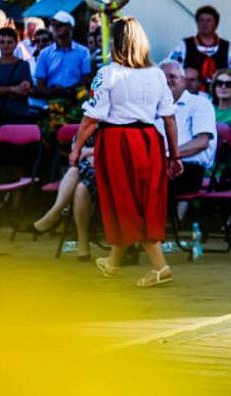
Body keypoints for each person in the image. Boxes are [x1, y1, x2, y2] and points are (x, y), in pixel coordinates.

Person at [73, 17, 181, 287]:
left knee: (124, 201)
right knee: (145, 199)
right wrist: (174, 154)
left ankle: (160, 266)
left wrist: (76, 149)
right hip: (149, 140)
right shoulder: (157, 73)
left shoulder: (109, 73)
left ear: (115, 43)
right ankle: (112, 262)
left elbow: (92, 118)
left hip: (117, 142)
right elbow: (169, 118)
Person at [160, 61, 216, 204]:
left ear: (184, 81)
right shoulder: (152, 107)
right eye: (162, 77)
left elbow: (202, 142)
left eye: (172, 76)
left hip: (188, 168)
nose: (167, 81)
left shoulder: (199, 103)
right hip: (160, 164)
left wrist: (168, 155)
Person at [32, 11, 91, 137]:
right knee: (49, 134)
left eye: (60, 25)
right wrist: (50, 93)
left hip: (76, 99)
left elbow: (87, 78)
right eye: (53, 25)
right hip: (52, 100)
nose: (55, 28)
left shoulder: (83, 52)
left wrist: (67, 90)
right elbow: (40, 82)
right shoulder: (45, 54)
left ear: (70, 27)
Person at [166, 5, 231, 86]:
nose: (204, 24)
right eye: (201, 20)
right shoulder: (185, 45)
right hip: (191, 94)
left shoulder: (226, 47)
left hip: (220, 94)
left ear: (216, 24)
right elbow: (170, 67)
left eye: (209, 20)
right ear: (197, 23)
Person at [0, 28, 33, 126]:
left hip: (19, 116)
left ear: (16, 44)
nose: (6, 45)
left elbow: (25, 90)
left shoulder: (24, 65)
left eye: (9, 42)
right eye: (2, 42)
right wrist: (14, 89)